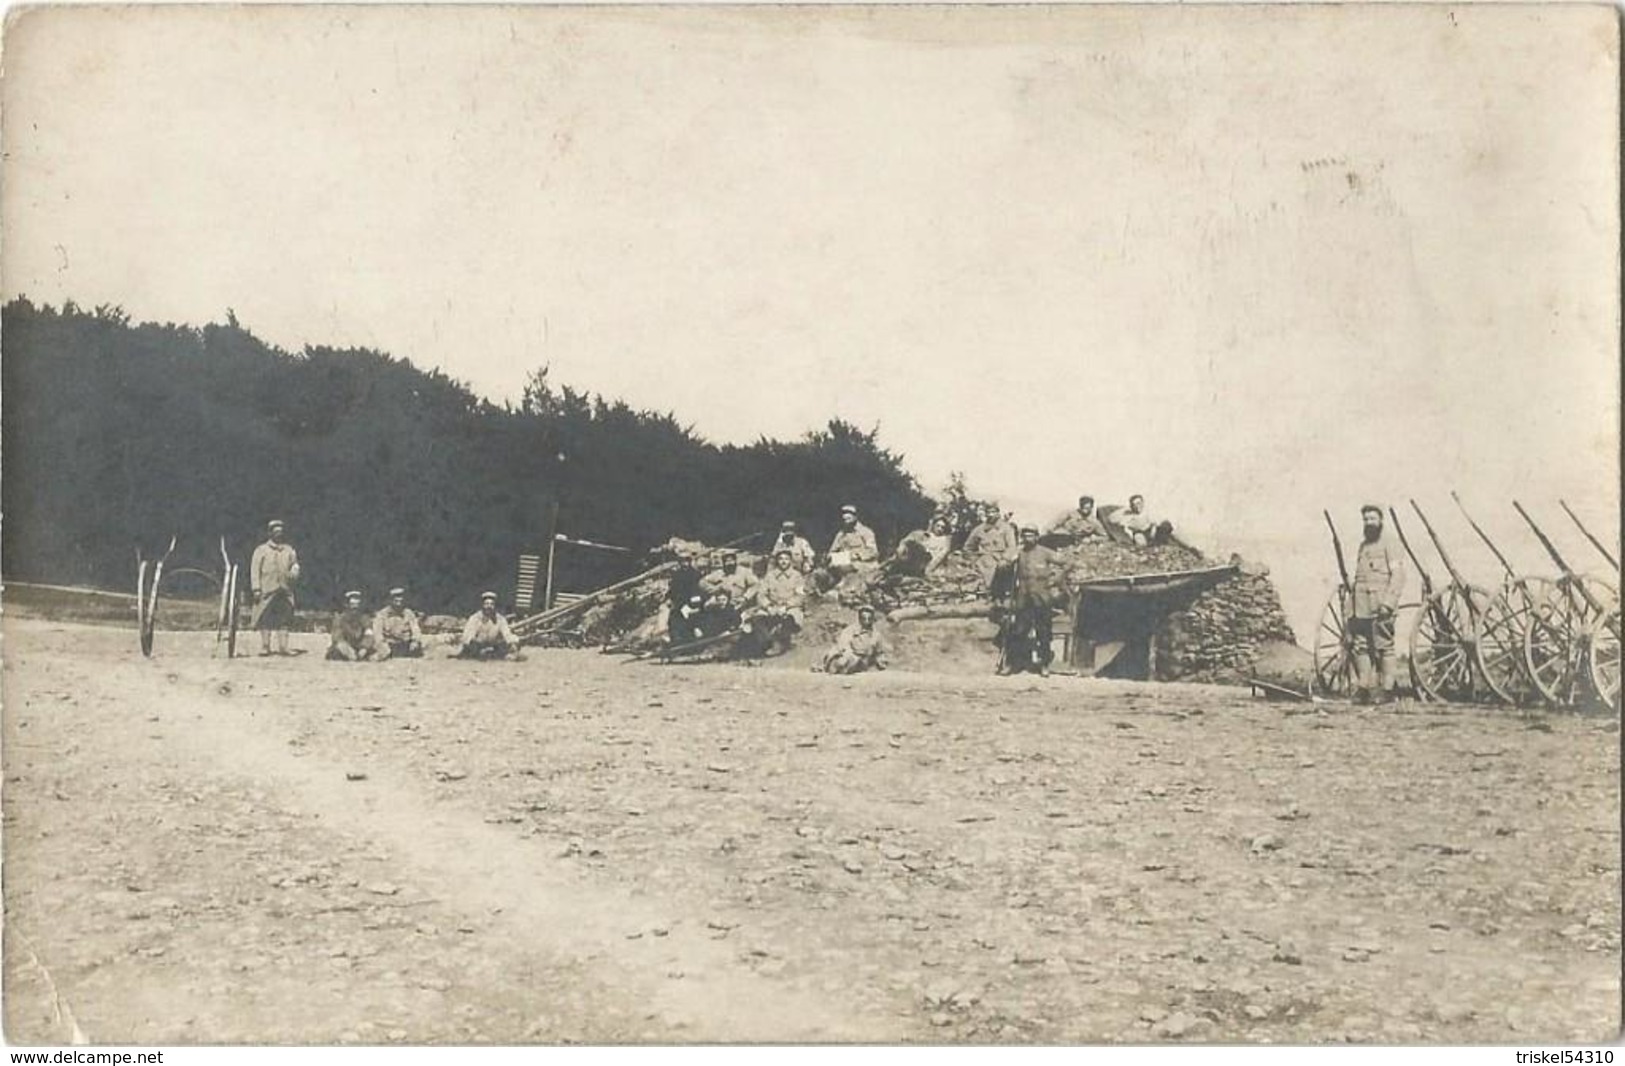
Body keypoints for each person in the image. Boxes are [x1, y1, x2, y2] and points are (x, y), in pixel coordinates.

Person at [1349, 504, 1407, 704]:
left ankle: (1388, 690)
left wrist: (1389, 603)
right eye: (1365, 519)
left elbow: (1398, 575)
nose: (1368, 523)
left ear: (1380, 521)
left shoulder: (1390, 543)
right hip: (1361, 606)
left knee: (1385, 647)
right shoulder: (1363, 546)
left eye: (1372, 519)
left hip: (1381, 605)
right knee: (1361, 647)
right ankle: (1364, 687)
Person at [998, 526, 1068, 677]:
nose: (1028, 538)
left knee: (1043, 632)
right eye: (1025, 535)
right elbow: (1002, 566)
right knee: (1018, 631)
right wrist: (1009, 562)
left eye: (1031, 535)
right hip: (1023, 598)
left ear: (1037, 537)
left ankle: (1044, 665)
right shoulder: (1018, 552)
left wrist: (1057, 579)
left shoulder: (1045, 552)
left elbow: (1066, 562)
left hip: (1042, 598)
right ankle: (1012, 664)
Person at [250, 518, 301, 656]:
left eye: (281, 531)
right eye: (275, 531)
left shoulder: (289, 550)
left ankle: (283, 647)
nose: (278, 534)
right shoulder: (261, 550)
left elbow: (294, 564)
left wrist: (295, 571)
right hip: (267, 590)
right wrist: (256, 588)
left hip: (284, 590)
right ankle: (265, 647)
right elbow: (255, 570)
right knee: (265, 618)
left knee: (284, 619)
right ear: (270, 533)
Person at [744, 550, 809, 656]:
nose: (783, 561)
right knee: (757, 618)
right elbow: (761, 594)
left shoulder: (797, 576)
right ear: (777, 561)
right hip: (772, 606)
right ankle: (767, 642)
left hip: (790, 607)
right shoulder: (770, 576)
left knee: (789, 619)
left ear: (790, 561)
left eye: (786, 559)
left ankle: (780, 644)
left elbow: (800, 596)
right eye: (781, 559)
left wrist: (786, 606)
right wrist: (768, 606)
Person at [820, 604, 891, 675]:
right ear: (860, 618)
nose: (867, 621)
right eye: (864, 618)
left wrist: (881, 661)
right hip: (849, 655)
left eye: (869, 619)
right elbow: (843, 644)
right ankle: (831, 669)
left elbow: (879, 652)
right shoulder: (850, 630)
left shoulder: (876, 635)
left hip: (863, 661)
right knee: (843, 660)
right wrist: (847, 653)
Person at [963, 503, 1019, 583]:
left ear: (998, 513)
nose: (991, 515)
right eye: (988, 512)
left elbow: (1011, 547)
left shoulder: (1006, 528)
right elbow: (968, 547)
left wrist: (1005, 559)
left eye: (993, 512)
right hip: (981, 560)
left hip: (999, 560)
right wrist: (973, 559)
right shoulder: (979, 529)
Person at [459, 591, 522, 660]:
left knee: (512, 642)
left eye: (492, 604)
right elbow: (468, 636)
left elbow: (507, 634)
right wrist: (474, 642)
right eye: (486, 604)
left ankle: (492, 653)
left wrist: (512, 642)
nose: (489, 606)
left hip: (494, 645)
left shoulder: (500, 619)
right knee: (471, 646)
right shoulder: (474, 618)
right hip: (477, 645)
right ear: (482, 605)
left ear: (495, 606)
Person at [327, 590, 383, 662]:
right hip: (345, 645)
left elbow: (369, 634)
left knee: (380, 648)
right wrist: (349, 652)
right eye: (352, 605)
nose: (355, 608)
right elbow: (337, 638)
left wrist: (364, 648)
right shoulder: (340, 618)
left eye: (357, 605)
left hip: (359, 645)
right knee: (338, 648)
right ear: (347, 605)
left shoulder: (365, 618)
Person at [827, 504, 880, 579]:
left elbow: (873, 552)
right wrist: (836, 557)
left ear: (855, 517)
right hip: (843, 564)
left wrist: (855, 555)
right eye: (844, 515)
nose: (845, 517)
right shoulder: (841, 534)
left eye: (849, 515)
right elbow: (831, 552)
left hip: (863, 566)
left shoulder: (865, 532)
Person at [373, 587, 425, 659]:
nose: (399, 599)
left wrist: (415, 641)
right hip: (389, 645)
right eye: (395, 597)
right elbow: (377, 633)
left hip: (405, 645)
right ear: (389, 599)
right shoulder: (382, 614)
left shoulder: (409, 613)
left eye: (401, 596)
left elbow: (416, 630)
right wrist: (382, 645)